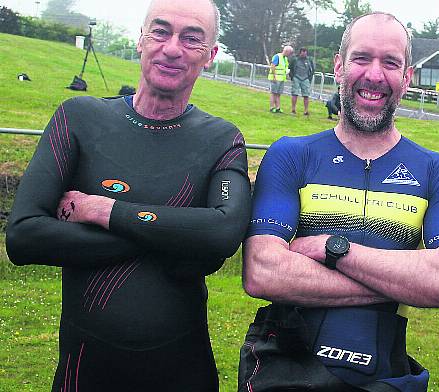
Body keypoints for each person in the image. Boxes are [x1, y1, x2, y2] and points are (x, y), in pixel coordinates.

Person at [5, 0, 251, 390]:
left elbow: (222, 234)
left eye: (192, 39)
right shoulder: (79, 118)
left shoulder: (221, 139)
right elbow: (24, 237)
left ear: (211, 55)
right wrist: (175, 238)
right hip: (84, 373)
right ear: (140, 39)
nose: (172, 48)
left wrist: (102, 210)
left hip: (183, 373)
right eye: (160, 31)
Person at [238, 12, 439, 392]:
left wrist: (332, 249)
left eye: (391, 62)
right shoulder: (292, 155)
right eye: (362, 58)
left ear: (407, 78)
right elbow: (263, 271)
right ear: (338, 67)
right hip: (287, 370)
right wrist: (403, 281)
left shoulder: (438, 171)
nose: (375, 75)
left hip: (383, 375)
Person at [289, 47, 315, 115]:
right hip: (296, 78)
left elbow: (312, 70)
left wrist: (309, 78)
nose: (304, 54)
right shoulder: (295, 59)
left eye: (305, 53)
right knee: (295, 94)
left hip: (305, 78)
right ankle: (293, 109)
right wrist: (292, 77)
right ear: (300, 53)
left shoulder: (309, 60)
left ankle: (306, 111)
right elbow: (290, 68)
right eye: (303, 53)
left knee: (306, 95)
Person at [268, 45, 293, 113]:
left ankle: (278, 108)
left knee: (278, 94)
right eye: (290, 53)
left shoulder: (285, 58)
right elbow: (273, 66)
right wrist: (274, 76)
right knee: (273, 93)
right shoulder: (277, 56)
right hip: (275, 79)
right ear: (286, 51)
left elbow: (285, 68)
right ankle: (271, 107)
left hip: (281, 79)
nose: (290, 54)